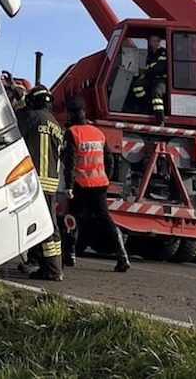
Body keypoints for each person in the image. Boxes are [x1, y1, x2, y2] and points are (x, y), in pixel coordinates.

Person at [60, 97, 130, 272]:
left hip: (80, 184)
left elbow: (70, 163)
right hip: (99, 184)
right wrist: (107, 177)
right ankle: (122, 256)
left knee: (72, 218)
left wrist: (68, 186)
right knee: (106, 220)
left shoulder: (72, 132)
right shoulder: (98, 132)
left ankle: (69, 255)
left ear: (71, 113)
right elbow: (109, 159)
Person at [18, 86, 65, 281]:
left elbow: (16, 123)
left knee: (46, 227)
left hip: (34, 180)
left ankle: (53, 270)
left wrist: (18, 99)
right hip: (51, 181)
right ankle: (42, 264)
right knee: (42, 223)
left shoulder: (31, 117)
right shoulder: (55, 123)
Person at [132, 34, 168, 124]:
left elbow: (160, 68)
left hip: (161, 79)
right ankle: (146, 107)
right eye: (153, 41)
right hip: (151, 79)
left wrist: (145, 74)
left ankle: (160, 119)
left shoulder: (163, 52)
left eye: (157, 41)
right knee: (137, 85)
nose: (155, 43)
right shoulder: (150, 55)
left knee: (157, 93)